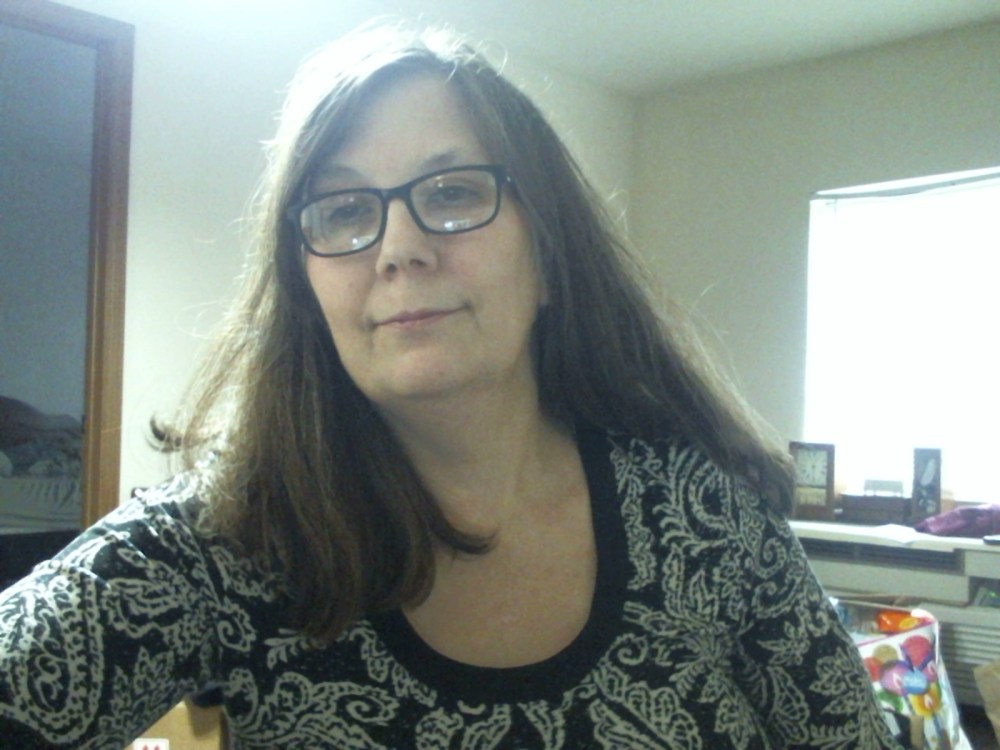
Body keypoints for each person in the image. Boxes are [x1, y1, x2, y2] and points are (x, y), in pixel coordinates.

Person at [0, 21, 903, 749]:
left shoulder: (705, 516)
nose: (399, 248)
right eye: (344, 209)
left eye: (454, 192)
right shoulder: (222, 544)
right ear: (308, 290)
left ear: (550, 254)